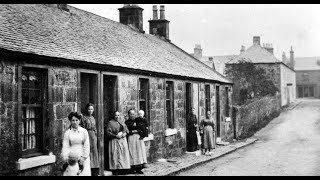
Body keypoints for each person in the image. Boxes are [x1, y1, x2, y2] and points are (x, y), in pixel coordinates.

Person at [61, 112, 91, 176]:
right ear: (70, 121)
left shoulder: (84, 131)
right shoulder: (67, 133)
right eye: (73, 120)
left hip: (82, 155)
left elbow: (87, 145)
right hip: (72, 156)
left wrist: (83, 158)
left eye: (77, 120)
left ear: (79, 121)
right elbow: (65, 146)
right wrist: (66, 158)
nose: (75, 122)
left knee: (83, 173)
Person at [106, 111, 131, 176]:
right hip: (114, 140)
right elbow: (108, 132)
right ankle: (116, 169)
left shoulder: (122, 122)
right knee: (115, 155)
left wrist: (124, 133)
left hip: (122, 140)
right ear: (113, 116)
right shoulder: (110, 123)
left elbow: (126, 130)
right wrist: (115, 136)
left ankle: (123, 169)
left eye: (118, 115)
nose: (117, 117)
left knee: (123, 155)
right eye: (116, 115)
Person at [126, 109, 148, 174]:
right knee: (132, 152)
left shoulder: (138, 120)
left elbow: (143, 127)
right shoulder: (127, 122)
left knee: (139, 152)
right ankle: (132, 168)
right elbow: (126, 130)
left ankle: (139, 168)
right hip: (131, 138)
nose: (132, 115)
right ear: (128, 115)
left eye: (133, 114)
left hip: (138, 137)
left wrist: (142, 133)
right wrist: (131, 131)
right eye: (131, 114)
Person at [80, 103, 100, 176]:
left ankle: (95, 169)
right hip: (87, 135)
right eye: (89, 109)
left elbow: (94, 128)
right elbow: (82, 127)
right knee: (87, 152)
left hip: (93, 136)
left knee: (94, 152)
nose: (90, 111)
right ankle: (88, 170)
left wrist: (95, 134)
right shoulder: (84, 118)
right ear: (86, 109)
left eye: (92, 109)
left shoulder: (93, 118)